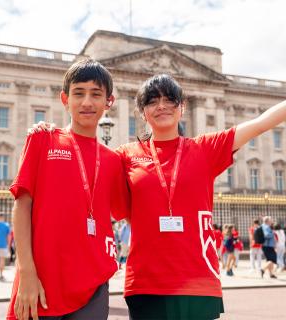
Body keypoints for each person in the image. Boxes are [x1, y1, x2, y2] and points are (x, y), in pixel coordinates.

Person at [36, 74, 286, 319]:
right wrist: (51, 136)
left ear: (182, 107)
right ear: (143, 112)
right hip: (146, 282)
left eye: (169, 100)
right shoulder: (125, 156)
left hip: (198, 281)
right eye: (153, 101)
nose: (162, 106)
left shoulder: (204, 149)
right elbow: (82, 162)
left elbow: (261, 123)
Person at [7, 59, 129, 320]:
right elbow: (22, 205)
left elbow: (129, 212)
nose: (87, 102)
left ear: (109, 101)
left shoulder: (113, 159)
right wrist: (26, 271)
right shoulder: (42, 139)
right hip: (40, 281)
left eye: (96, 94)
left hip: (94, 285)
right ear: (65, 98)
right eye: (79, 93)